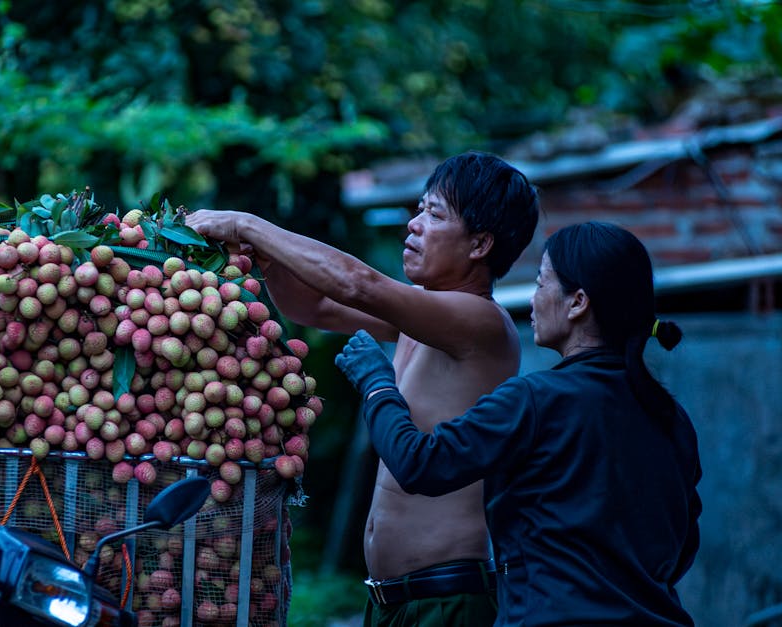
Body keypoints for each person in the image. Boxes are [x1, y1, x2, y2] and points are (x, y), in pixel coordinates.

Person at [186, 151, 541, 626]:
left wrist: (247, 226)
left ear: (479, 244)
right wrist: (268, 261)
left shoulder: (482, 321)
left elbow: (358, 284)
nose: (414, 225)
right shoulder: (425, 316)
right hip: (392, 598)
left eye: (434, 214)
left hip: (447, 598)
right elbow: (315, 308)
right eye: (419, 209)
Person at [334, 221, 702, 626]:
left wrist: (377, 383)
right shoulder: (672, 418)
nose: (533, 299)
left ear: (578, 302)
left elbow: (419, 464)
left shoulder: (537, 401)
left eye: (542, 283)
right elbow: (683, 545)